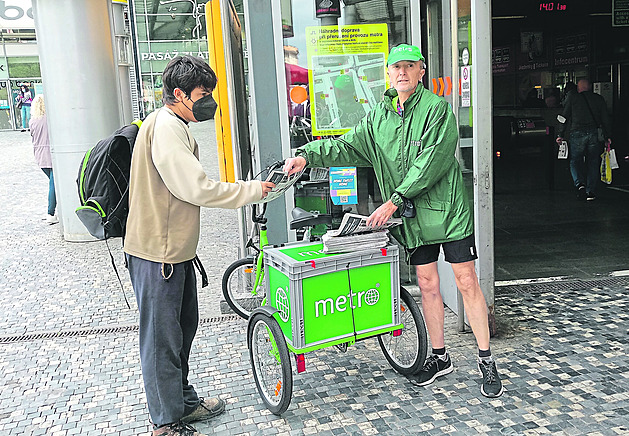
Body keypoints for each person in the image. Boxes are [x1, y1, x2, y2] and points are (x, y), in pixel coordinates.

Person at [284, 43, 503, 398]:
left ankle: (486, 359)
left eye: (409, 66)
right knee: (428, 284)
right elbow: (348, 146)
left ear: (421, 71)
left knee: (466, 281)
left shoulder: (437, 110)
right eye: (395, 67)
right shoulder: (378, 117)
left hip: (446, 211)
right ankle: (439, 357)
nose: (401, 72)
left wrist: (394, 201)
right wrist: (306, 156)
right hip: (414, 218)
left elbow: (431, 162)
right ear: (388, 74)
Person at [124, 55, 275, 436]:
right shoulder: (166, 128)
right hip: (157, 254)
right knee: (162, 339)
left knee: (182, 329)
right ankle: (165, 422)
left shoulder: (172, 122)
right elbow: (196, 188)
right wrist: (252, 190)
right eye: (202, 94)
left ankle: (183, 403)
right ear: (179, 94)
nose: (208, 102)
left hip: (174, 254)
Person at [556, 79, 612, 201]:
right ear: (590, 87)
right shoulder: (598, 98)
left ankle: (580, 184)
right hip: (593, 133)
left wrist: (560, 134)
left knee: (575, 160)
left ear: (578, 88)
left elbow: (564, 117)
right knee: (593, 161)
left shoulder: (573, 98)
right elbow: (605, 119)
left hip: (577, 132)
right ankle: (590, 191)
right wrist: (608, 136)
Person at [29, 94, 57, 224]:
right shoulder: (51, 119)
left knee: (54, 183)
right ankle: (50, 212)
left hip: (40, 155)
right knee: (54, 184)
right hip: (51, 154)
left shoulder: (33, 121)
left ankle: (54, 210)